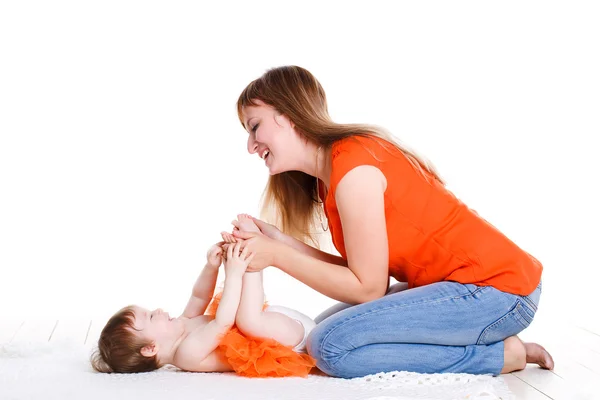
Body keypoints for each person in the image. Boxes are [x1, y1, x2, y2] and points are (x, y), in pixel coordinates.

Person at [228, 65, 554, 378]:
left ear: (287, 116)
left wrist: (276, 256)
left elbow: (368, 289)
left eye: (254, 126)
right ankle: (486, 346)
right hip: (468, 288)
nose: (250, 145)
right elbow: (364, 273)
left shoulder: (354, 170)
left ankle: (499, 356)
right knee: (321, 329)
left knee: (329, 345)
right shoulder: (334, 172)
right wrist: (278, 241)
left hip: (498, 290)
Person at [90, 215, 316, 377]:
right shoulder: (186, 355)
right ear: (151, 348)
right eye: (150, 317)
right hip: (287, 343)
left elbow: (199, 297)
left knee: (246, 316)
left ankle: (247, 250)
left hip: (274, 324)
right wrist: (233, 272)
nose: (157, 310)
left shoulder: (183, 324)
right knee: (246, 320)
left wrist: (212, 266)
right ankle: (251, 254)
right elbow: (222, 322)